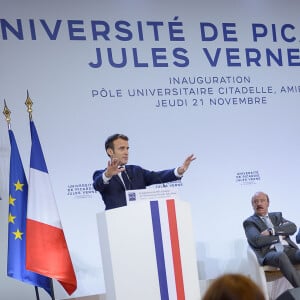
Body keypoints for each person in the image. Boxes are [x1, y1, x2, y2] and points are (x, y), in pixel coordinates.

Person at [93, 133, 196, 210]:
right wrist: (108, 174)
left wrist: (179, 170)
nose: (126, 152)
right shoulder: (100, 174)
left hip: (142, 222)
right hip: (116, 225)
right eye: (122, 148)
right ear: (110, 151)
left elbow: (158, 176)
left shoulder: (136, 170)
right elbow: (97, 185)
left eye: (127, 148)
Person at [243, 191, 300, 288]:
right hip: (270, 253)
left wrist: (272, 231)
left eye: (262, 201)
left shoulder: (277, 216)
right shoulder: (250, 222)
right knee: (280, 256)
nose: (259, 204)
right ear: (252, 205)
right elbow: (257, 241)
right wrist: (280, 235)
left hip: (290, 250)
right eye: (255, 202)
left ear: (268, 203)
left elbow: (292, 228)